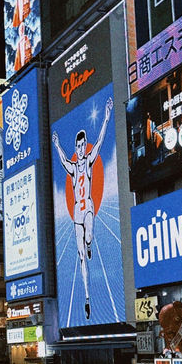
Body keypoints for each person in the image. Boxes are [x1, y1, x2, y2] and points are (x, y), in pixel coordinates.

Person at [51, 96, 113, 320]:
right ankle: (87, 297)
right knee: (81, 256)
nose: (79, 149)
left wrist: (106, 118)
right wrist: (57, 145)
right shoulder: (72, 165)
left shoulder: (88, 161)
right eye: (76, 146)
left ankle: (89, 243)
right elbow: (63, 160)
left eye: (81, 145)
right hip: (77, 212)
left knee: (89, 239)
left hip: (88, 208)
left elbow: (100, 142)